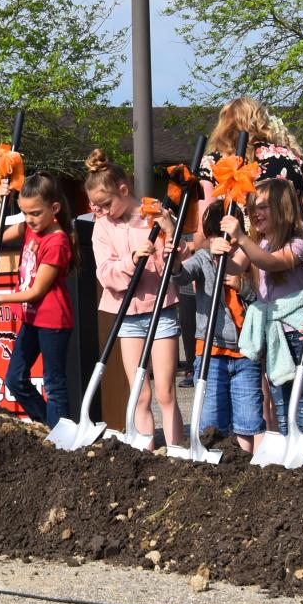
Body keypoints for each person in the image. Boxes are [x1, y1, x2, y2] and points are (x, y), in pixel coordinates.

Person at [226, 177, 303, 468]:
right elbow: (235, 266)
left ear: (282, 209)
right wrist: (221, 249)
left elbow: (271, 263)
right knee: (282, 406)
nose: (254, 213)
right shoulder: (259, 243)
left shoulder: (299, 244)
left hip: (298, 334)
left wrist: (243, 240)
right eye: (251, 208)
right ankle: (292, 462)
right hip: (274, 335)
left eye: (262, 207)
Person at [84, 149, 183, 445]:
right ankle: (146, 451)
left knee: (165, 390)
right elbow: (106, 274)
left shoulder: (155, 215)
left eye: (105, 204)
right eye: (95, 206)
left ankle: (177, 451)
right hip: (127, 316)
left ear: (123, 191)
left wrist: (169, 233)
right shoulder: (101, 228)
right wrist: (130, 260)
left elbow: (178, 264)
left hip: (161, 311)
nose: (100, 211)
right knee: (140, 391)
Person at [0, 172, 76, 427]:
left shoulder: (57, 241)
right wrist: (2, 202)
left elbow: (37, 292)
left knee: (54, 385)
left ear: (53, 208)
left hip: (53, 321)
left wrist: (1, 299)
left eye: (35, 213)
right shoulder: (29, 228)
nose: (30, 219)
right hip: (33, 319)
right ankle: (50, 426)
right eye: (25, 213)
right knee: (15, 380)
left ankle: (60, 440)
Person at [174, 201, 260, 451]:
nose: (227, 245)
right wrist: (178, 261)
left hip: (246, 352)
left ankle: (244, 462)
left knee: (248, 419)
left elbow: (263, 296)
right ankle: (214, 460)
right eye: (218, 238)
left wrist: (242, 286)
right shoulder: (202, 259)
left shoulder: (250, 258)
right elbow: (181, 276)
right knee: (211, 417)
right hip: (212, 350)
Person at [199, 97, 303, 236]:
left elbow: (205, 222)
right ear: (262, 121)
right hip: (287, 246)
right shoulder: (291, 158)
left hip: (236, 246)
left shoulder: (213, 162)